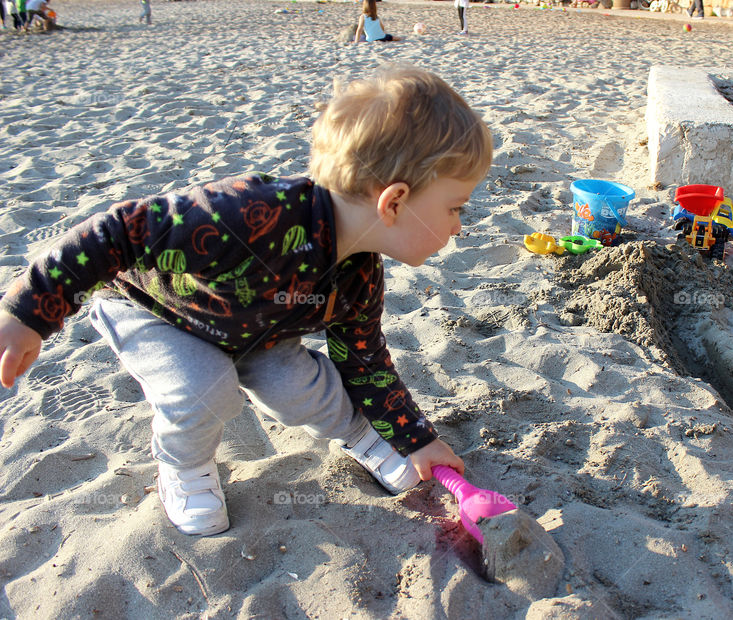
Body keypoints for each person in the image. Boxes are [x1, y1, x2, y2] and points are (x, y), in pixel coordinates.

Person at [0, 65, 491, 537]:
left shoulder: (359, 273)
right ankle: (186, 467)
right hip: (157, 311)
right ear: (394, 201)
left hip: (253, 328)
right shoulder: (247, 215)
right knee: (202, 386)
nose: (457, 226)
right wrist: (28, 311)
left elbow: (364, 361)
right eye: (454, 207)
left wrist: (415, 438)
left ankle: (362, 433)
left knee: (297, 384)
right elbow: (118, 232)